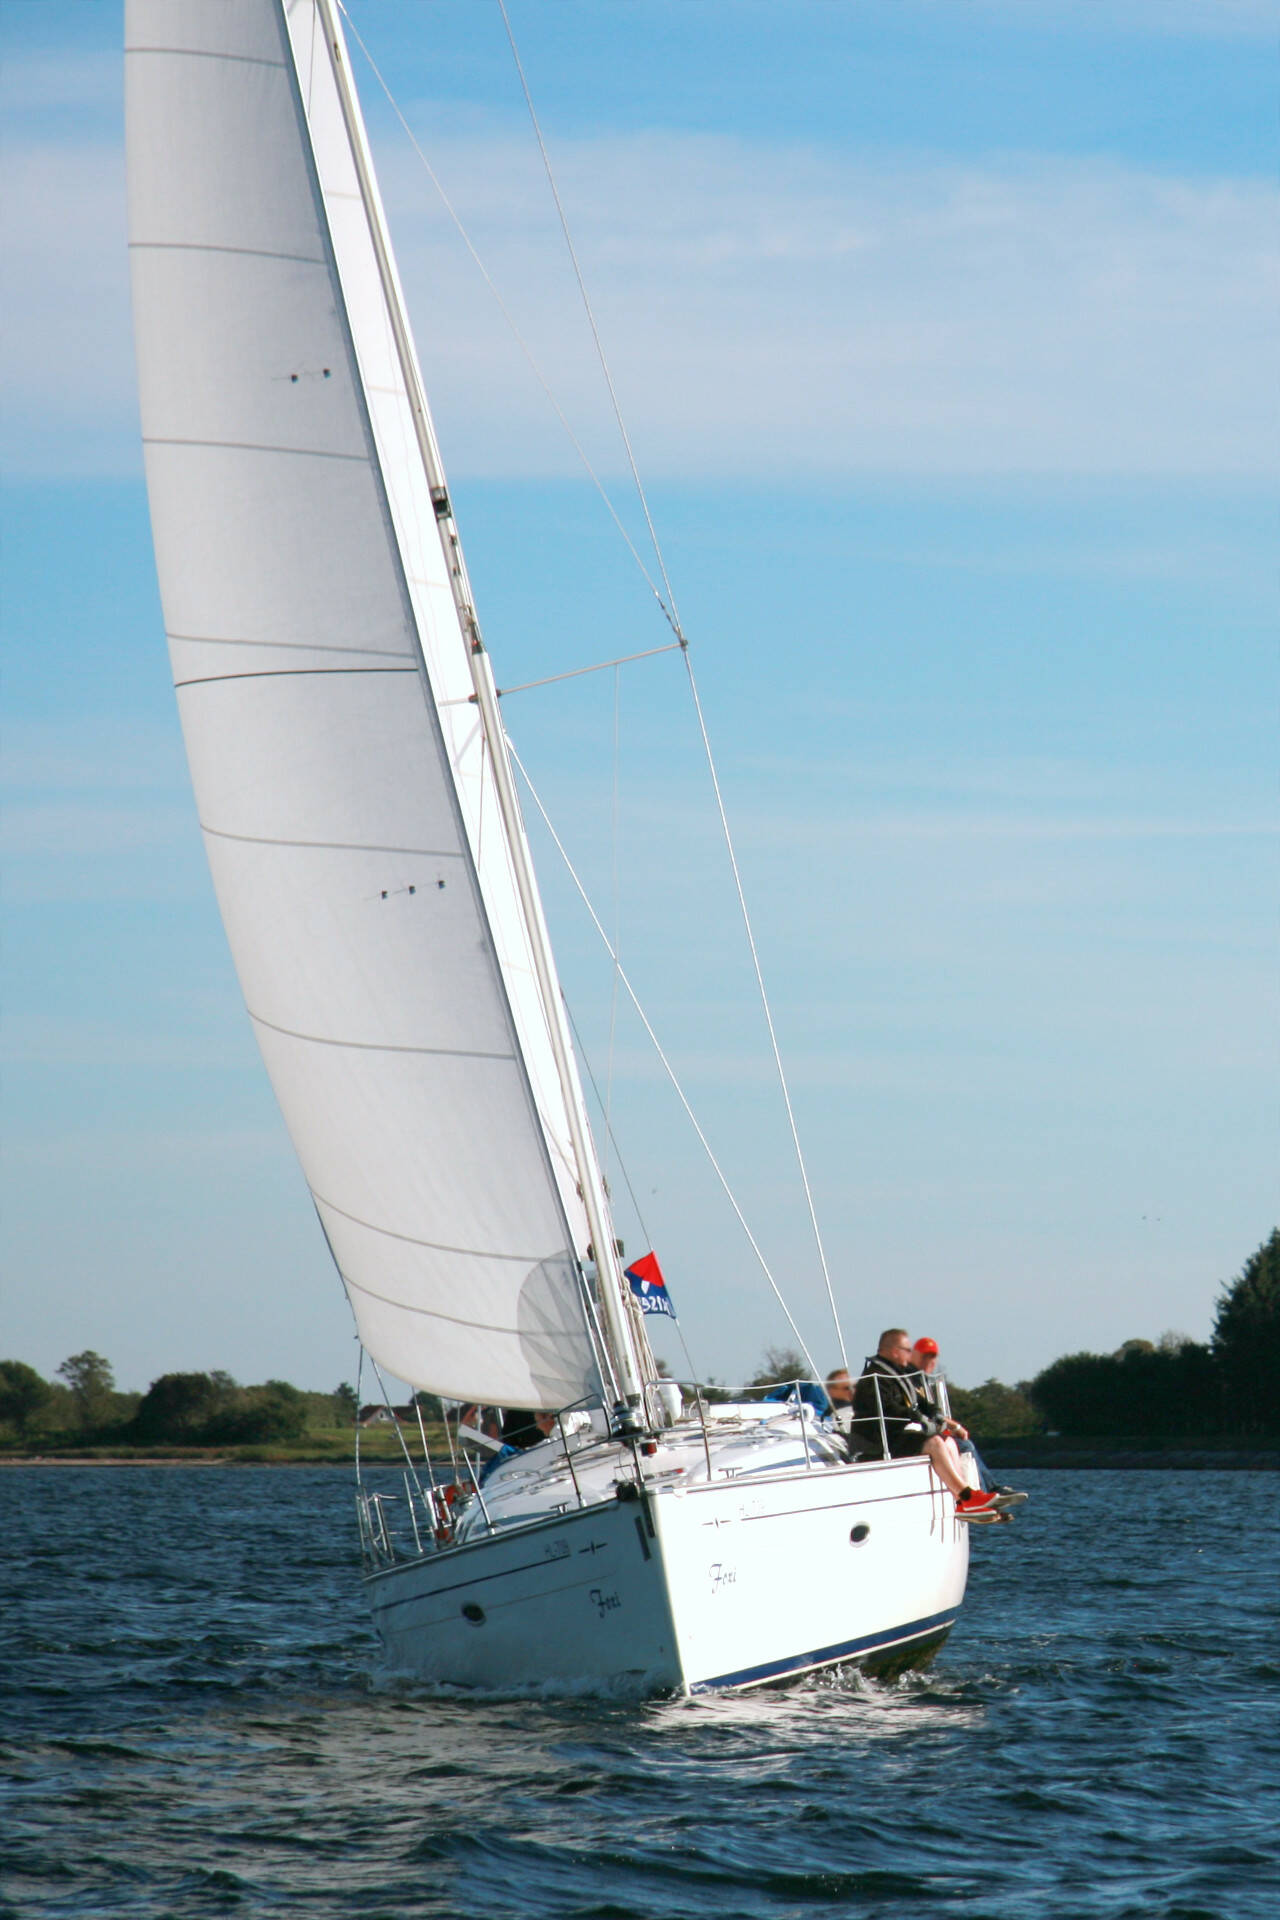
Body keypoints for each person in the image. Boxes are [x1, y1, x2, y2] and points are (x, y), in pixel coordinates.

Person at [850, 1328, 1011, 1516]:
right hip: (877, 1443)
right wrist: (920, 1420)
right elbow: (889, 1411)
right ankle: (966, 1497)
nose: (910, 1355)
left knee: (948, 1441)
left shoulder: (899, 1373)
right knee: (934, 1443)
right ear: (895, 1351)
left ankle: (967, 1499)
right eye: (907, 1350)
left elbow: (923, 1403)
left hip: (895, 1435)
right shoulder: (874, 1378)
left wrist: (937, 1417)